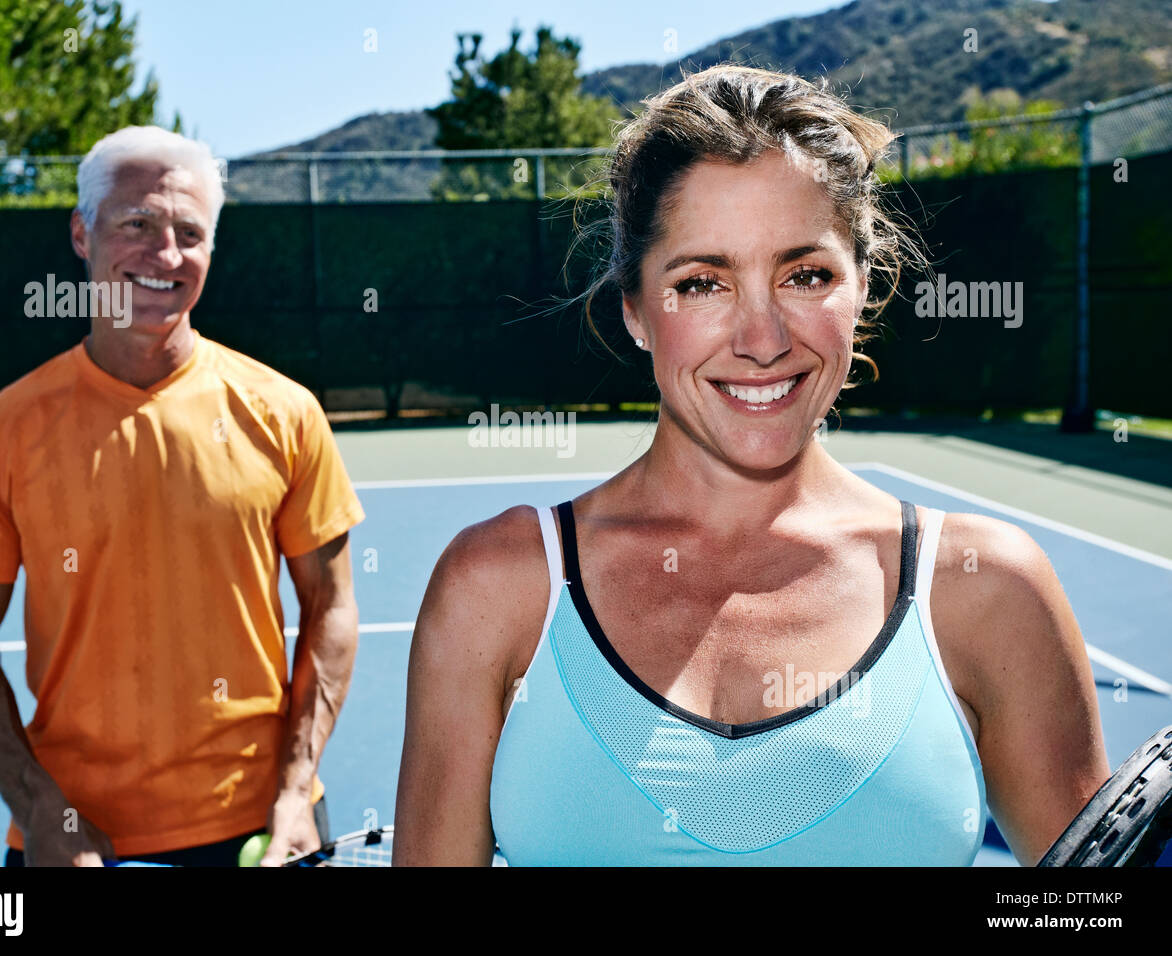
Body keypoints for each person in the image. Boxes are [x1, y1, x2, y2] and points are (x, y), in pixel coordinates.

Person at [392, 65, 1110, 865]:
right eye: (703, 283)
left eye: (805, 275)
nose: (762, 339)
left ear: (863, 285)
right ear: (634, 308)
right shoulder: (494, 587)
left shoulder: (991, 589)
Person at [0, 126, 365, 866]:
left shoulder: (286, 413)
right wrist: (37, 805)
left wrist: (295, 787)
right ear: (81, 233)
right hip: (72, 839)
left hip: (266, 832)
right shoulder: (2, 431)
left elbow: (333, 605)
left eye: (190, 232)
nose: (165, 255)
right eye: (137, 224)